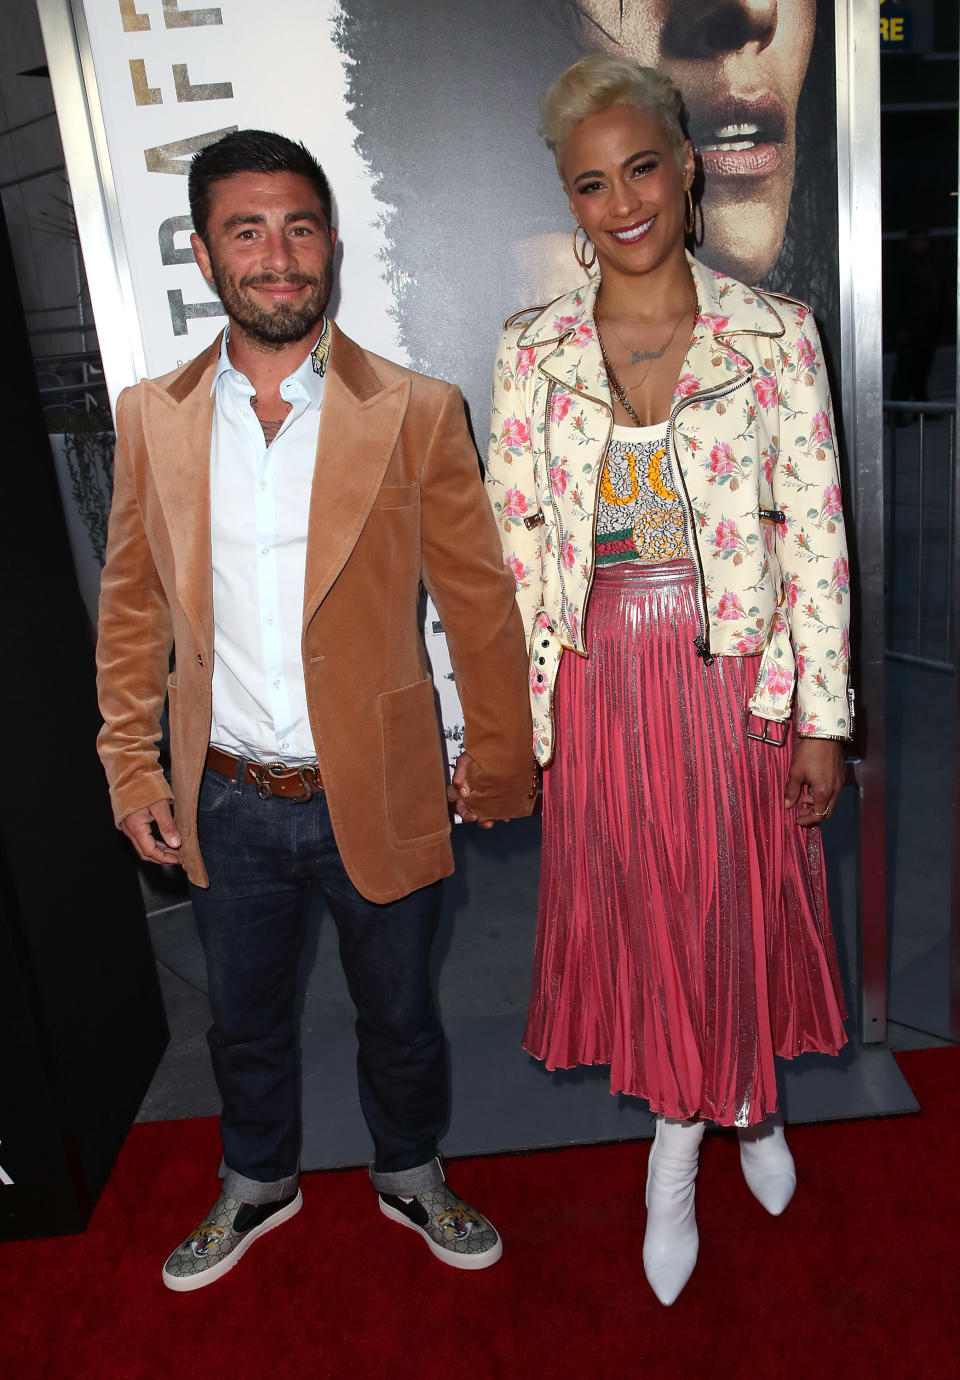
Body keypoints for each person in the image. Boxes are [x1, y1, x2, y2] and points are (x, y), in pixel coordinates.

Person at [96, 129, 535, 1291]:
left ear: (331, 243)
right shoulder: (155, 415)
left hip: (380, 787)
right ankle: (257, 1182)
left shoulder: (415, 410)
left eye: (298, 227)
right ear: (204, 253)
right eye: (247, 231)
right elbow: (132, 609)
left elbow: (477, 600)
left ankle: (410, 1171)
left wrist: (499, 757)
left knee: (402, 1015)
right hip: (228, 797)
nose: (277, 255)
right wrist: (132, 769)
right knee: (241, 1023)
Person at [485, 56, 851, 1305]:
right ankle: (712, 1123)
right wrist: (498, 725)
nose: (623, 200)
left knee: (735, 900)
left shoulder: (774, 336)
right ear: (571, 202)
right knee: (650, 910)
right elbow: (512, 545)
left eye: (643, 166)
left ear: (687, 167)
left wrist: (824, 721)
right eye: (592, 183)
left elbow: (815, 536)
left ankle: (713, 1129)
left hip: (733, 672)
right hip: (595, 681)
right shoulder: (529, 353)